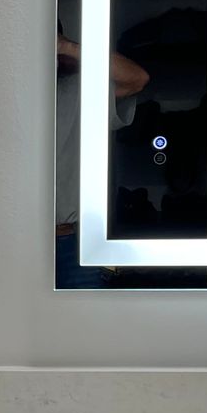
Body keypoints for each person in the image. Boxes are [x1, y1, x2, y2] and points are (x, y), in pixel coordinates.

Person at [54, 26, 147, 288]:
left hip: (68, 242)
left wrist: (67, 46)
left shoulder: (77, 91)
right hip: (11, 240)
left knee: (85, 326)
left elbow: (136, 79)